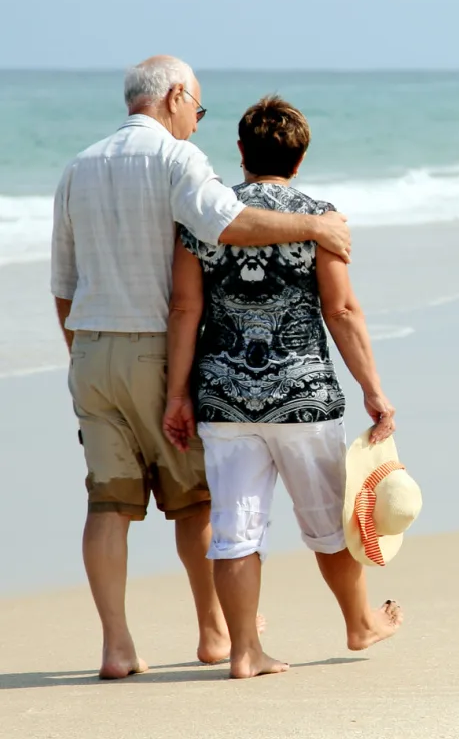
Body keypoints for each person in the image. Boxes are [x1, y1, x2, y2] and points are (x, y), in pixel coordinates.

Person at [50, 56, 351, 680]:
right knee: (195, 502)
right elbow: (228, 224)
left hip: (89, 350)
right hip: (156, 347)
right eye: (197, 108)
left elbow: (63, 284)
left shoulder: (76, 167)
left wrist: (81, 353)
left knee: (108, 503)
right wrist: (315, 225)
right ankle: (217, 635)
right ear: (176, 96)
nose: (196, 121)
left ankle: (117, 647)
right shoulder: (177, 159)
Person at [163, 95, 402, 679]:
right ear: (299, 158)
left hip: (224, 396)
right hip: (305, 398)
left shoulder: (207, 217)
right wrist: (373, 389)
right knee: (328, 523)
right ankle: (359, 623)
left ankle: (244, 651)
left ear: (240, 151)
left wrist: (177, 393)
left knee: (235, 529)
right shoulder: (320, 217)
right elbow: (341, 310)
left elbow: (184, 307)